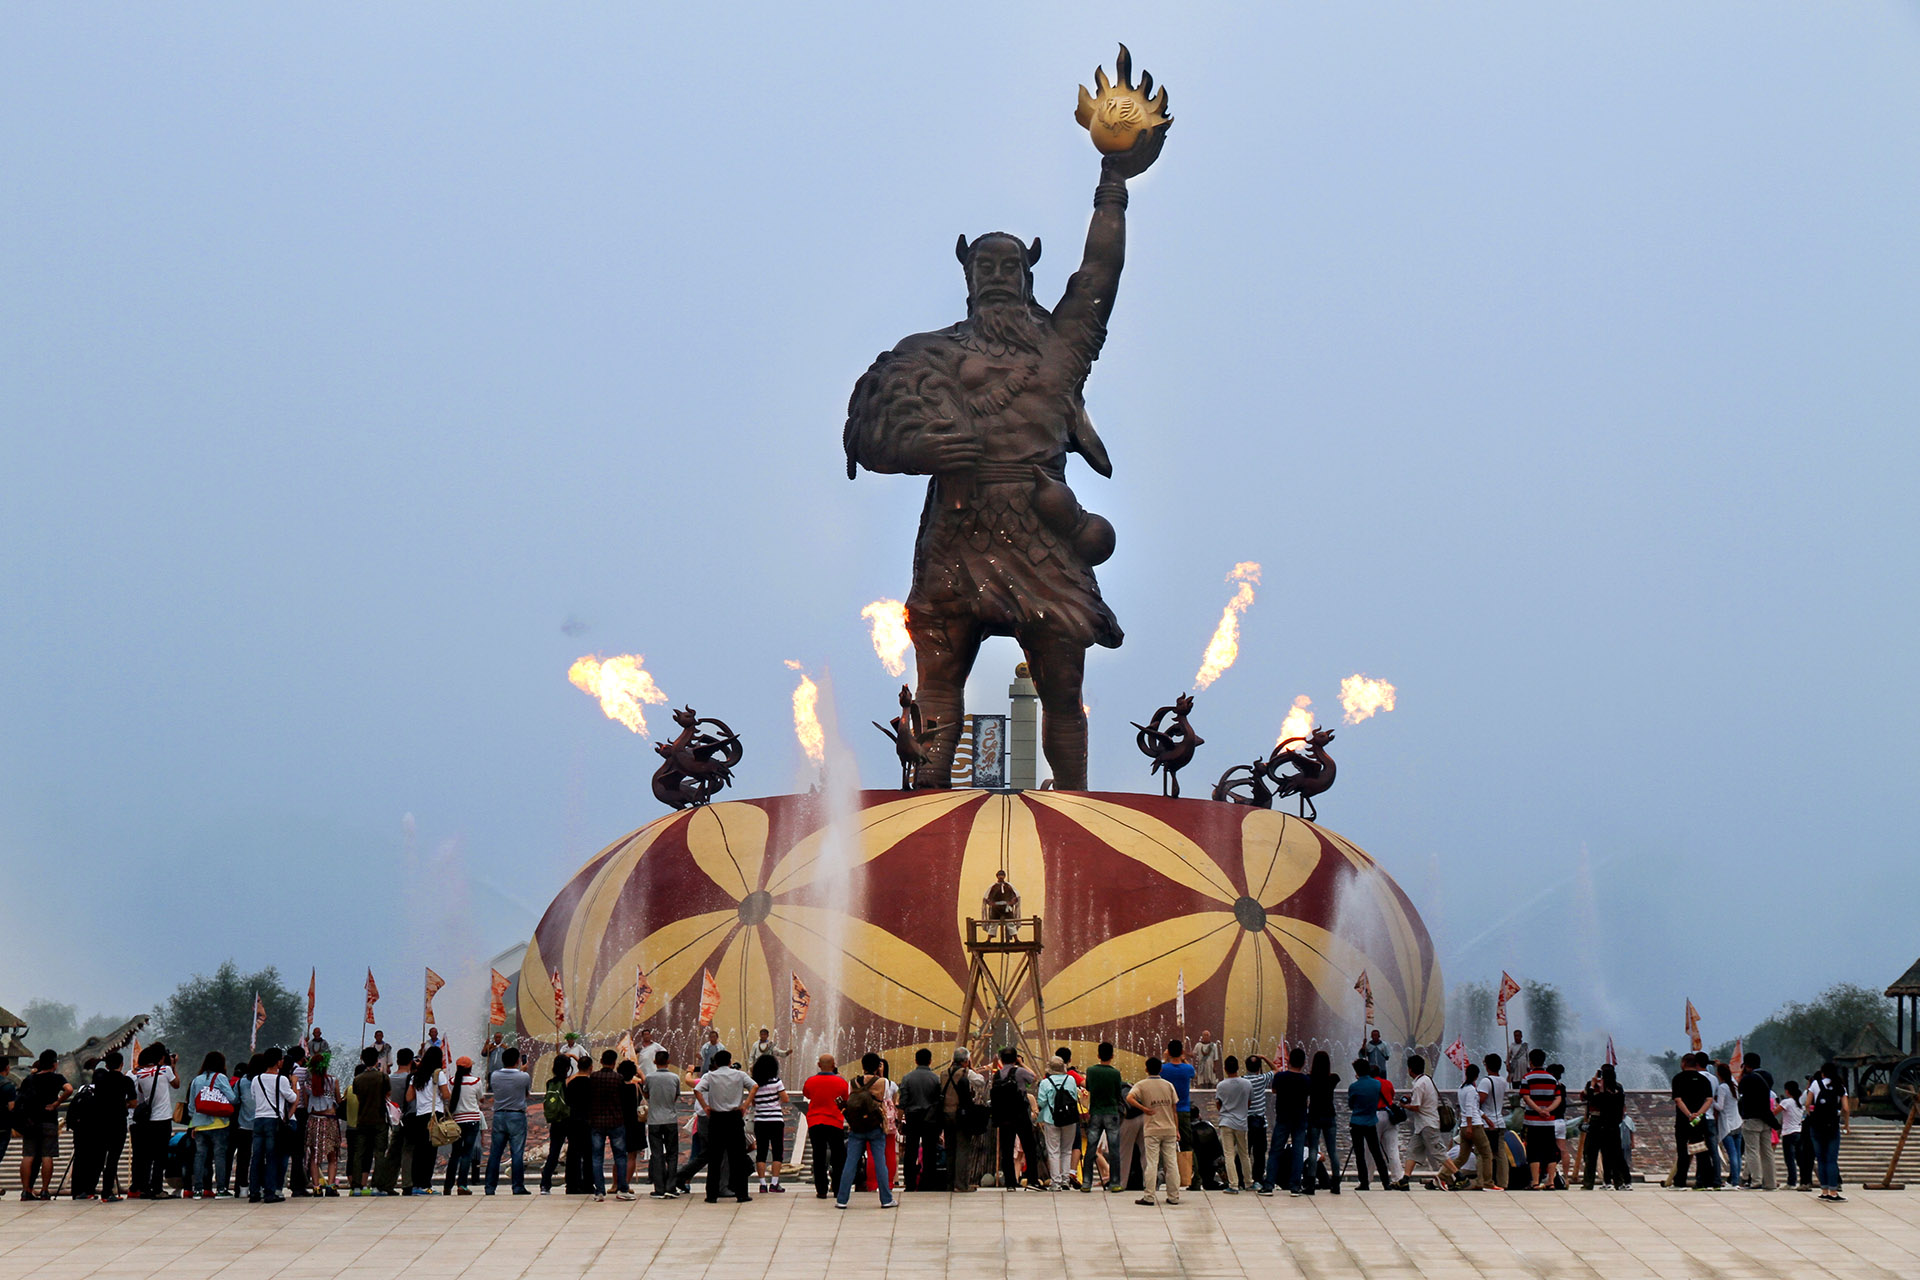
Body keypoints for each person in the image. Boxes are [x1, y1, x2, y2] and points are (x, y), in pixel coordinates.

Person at [833, 1053, 896, 1209]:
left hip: (857, 1126)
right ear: (878, 1066)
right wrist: (880, 1075)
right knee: (880, 1162)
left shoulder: (852, 1082)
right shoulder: (884, 1082)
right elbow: (890, 1095)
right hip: (875, 1126)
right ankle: (886, 1199)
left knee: (850, 1162)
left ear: (862, 1066)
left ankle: (842, 1199)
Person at [695, 1048, 753, 1203]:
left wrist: (705, 1106)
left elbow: (697, 1090)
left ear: (715, 1063)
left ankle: (712, 1195)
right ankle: (741, 1194)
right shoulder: (740, 1075)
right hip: (734, 1117)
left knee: (715, 1158)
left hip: (717, 1118)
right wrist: (745, 1104)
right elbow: (754, 1086)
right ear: (730, 1061)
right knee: (738, 1157)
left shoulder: (710, 1076)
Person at [14, 1050, 72, 1201]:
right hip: (49, 1120)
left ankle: (25, 1190)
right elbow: (69, 1089)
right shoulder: (57, 1078)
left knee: (28, 1155)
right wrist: (57, 1103)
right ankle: (45, 1190)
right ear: (54, 1064)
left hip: (30, 1122)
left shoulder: (29, 1079)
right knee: (47, 1155)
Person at [130, 1042, 179, 1198]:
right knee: (160, 1156)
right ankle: (157, 1188)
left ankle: (145, 1188)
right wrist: (173, 1066)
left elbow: (140, 1092)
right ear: (161, 1058)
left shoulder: (140, 1074)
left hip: (148, 1121)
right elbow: (176, 1084)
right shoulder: (165, 1070)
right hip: (163, 1119)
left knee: (147, 1156)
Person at [991, 1047, 1045, 1191]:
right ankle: (1032, 1180)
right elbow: (1034, 1078)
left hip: (1004, 1116)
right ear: (1015, 1058)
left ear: (1001, 1059)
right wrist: (1021, 1063)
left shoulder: (997, 1075)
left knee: (1007, 1150)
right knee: (1029, 1147)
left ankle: (1010, 1183)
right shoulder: (1019, 1071)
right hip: (1020, 1114)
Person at [479, 1046, 530, 1195]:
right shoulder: (524, 1076)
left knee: (495, 1153)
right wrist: (523, 1071)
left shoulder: (494, 1075)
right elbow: (526, 1094)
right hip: (517, 1115)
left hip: (499, 1115)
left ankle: (490, 1187)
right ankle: (517, 1186)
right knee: (517, 1153)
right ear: (518, 1061)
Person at [1259, 1047, 1310, 1195]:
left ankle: (1269, 1184)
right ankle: (1295, 1186)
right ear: (1303, 1063)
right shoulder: (1306, 1080)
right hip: (1300, 1118)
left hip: (1283, 1117)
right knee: (1298, 1152)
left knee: (1276, 1150)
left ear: (1289, 1061)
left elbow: (1274, 1091)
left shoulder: (1280, 1077)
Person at [1130, 1056, 1180, 1205]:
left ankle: (1149, 1196)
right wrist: (1177, 1130)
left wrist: (1144, 1108)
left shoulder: (1141, 1085)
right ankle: (1174, 1196)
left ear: (1146, 1069)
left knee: (1152, 1163)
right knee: (1171, 1163)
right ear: (1161, 1069)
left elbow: (1129, 1098)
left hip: (1152, 1129)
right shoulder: (1168, 1085)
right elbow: (1174, 1110)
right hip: (1169, 1129)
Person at [582, 1050, 632, 1201]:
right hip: (616, 1121)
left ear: (601, 1061)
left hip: (597, 1122)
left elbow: (588, 1099)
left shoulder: (593, 1078)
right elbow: (624, 1100)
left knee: (597, 1157)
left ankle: (599, 1191)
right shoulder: (618, 1078)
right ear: (614, 1062)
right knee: (620, 1157)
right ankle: (622, 1189)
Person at [187, 1051, 237, 1199]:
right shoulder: (220, 1077)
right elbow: (232, 1098)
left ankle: (197, 1190)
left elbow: (191, 1106)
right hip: (219, 1123)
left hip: (200, 1125)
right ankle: (221, 1189)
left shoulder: (196, 1080)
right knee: (220, 1156)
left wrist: (194, 1124)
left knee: (200, 1157)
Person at [1400, 1054, 1456, 1188]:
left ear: (1410, 1069)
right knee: (1412, 1151)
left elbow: (1416, 1107)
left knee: (1438, 1152)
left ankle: (1459, 1176)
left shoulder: (1419, 1085)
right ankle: (1405, 1180)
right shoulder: (1427, 1079)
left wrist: (1404, 1106)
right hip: (1421, 1126)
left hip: (1428, 1124)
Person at [249, 1048, 295, 1204]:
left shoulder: (256, 1079)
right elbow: (292, 1098)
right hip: (274, 1120)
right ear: (278, 1062)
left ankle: (254, 1192)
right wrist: (294, 1085)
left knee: (256, 1157)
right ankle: (270, 1192)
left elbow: (254, 1097)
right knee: (272, 1157)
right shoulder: (281, 1080)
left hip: (258, 1119)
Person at [803, 1054, 850, 1199]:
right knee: (838, 1157)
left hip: (815, 1122)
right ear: (834, 1065)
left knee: (818, 1156)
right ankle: (837, 1188)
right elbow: (845, 1099)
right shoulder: (841, 1082)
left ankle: (821, 1190)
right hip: (834, 1122)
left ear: (818, 1065)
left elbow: (807, 1095)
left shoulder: (810, 1081)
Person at [404, 1045, 449, 1195]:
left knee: (419, 1151)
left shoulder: (416, 1076)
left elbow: (409, 1097)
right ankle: (425, 1184)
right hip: (434, 1115)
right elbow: (446, 1095)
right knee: (430, 1152)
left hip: (420, 1115)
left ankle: (416, 1184)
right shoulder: (438, 1074)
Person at [896, 1048, 944, 1191]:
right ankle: (928, 1183)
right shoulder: (936, 1079)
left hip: (913, 1117)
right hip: (930, 1119)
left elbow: (902, 1102)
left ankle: (910, 1183)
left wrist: (899, 1121)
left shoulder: (907, 1078)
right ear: (930, 1061)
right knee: (930, 1151)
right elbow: (939, 1101)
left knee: (911, 1150)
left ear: (916, 1061)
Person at [1080, 1041, 1124, 1193]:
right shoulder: (1115, 1073)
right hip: (1111, 1112)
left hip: (1096, 1113)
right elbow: (1118, 1093)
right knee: (1114, 1149)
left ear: (1098, 1055)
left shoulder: (1091, 1071)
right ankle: (1115, 1183)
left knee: (1091, 1148)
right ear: (1112, 1056)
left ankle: (1086, 1183)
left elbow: (1089, 1087)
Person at [1671, 1051, 1719, 1190]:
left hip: (1683, 1120)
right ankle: (1706, 1182)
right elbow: (1709, 1100)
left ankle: (1680, 1182)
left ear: (1683, 1063)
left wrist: (1689, 1114)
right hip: (1699, 1121)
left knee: (1683, 1150)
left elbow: (1678, 1100)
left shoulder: (1678, 1078)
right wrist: (1698, 1114)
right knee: (1701, 1150)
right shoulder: (1704, 1080)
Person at [1803, 1062, 1849, 1202]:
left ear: (1822, 1073)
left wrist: (1812, 1116)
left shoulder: (1815, 1084)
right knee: (1831, 1160)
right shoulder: (1840, 1086)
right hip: (1832, 1126)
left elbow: (1807, 1104)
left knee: (1821, 1159)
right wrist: (1846, 1125)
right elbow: (1846, 1108)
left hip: (1816, 1126)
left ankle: (1824, 1191)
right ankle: (1833, 1192)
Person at [372, 1047, 415, 1195]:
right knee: (408, 1151)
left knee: (393, 1153)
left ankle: (387, 1184)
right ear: (411, 1061)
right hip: (409, 1118)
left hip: (394, 1119)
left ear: (396, 1061)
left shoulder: (388, 1079)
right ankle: (408, 1183)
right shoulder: (411, 1079)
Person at [941, 1048, 984, 1192]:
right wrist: (971, 1068)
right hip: (961, 1115)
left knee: (950, 1149)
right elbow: (981, 1081)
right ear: (966, 1061)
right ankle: (961, 1184)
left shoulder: (944, 1073)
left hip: (946, 1114)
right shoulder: (966, 1073)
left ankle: (949, 1183)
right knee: (962, 1149)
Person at [301, 1053, 344, 1196]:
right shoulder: (333, 1080)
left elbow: (306, 1104)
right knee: (332, 1155)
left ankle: (316, 1187)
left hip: (314, 1120)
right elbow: (338, 1100)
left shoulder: (307, 1084)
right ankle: (331, 1186)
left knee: (314, 1156)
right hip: (330, 1120)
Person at [1299, 1050, 1342, 1195]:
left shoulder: (1309, 1079)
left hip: (1314, 1115)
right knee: (1332, 1150)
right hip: (1329, 1115)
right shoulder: (1333, 1078)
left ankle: (1310, 1184)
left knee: (1312, 1149)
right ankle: (1336, 1183)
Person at [442, 1055, 485, 1196]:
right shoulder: (476, 1081)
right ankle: (462, 1185)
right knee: (467, 1154)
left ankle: (448, 1185)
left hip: (457, 1121)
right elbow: (481, 1098)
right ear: (470, 1068)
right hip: (472, 1120)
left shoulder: (451, 1082)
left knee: (455, 1154)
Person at [1581, 1062, 1628, 1190]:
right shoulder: (1618, 1087)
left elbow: (1587, 1098)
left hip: (1597, 1121)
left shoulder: (1594, 1086)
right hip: (1612, 1124)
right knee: (1613, 1154)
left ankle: (1588, 1183)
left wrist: (1593, 1085)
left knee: (1591, 1154)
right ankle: (1618, 1182)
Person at [1346, 1059, 1391, 1190]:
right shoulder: (1376, 1084)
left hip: (1357, 1122)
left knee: (1360, 1154)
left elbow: (1351, 1104)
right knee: (1376, 1152)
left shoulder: (1354, 1087)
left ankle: (1364, 1182)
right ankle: (1385, 1182)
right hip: (1371, 1121)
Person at [1036, 1056, 1080, 1191]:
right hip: (1069, 1118)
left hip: (1051, 1118)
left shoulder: (1045, 1082)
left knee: (1053, 1151)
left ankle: (1056, 1182)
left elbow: (1041, 1102)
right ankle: (1066, 1179)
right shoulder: (1070, 1080)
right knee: (1067, 1150)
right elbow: (1074, 1097)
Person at [1159, 1039, 1198, 1189]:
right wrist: (1184, 1059)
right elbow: (1193, 1074)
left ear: (1168, 1052)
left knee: (1163, 1144)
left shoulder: (1163, 1068)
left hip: (1166, 1111)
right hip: (1183, 1111)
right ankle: (1194, 1179)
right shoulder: (1187, 1069)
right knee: (1187, 1145)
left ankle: (1163, 1177)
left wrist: (1165, 1058)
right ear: (1181, 1052)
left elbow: (1156, 1071)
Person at [348, 1048, 387, 1193]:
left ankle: (356, 1186)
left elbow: (358, 1097)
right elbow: (387, 1094)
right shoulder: (383, 1077)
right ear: (377, 1060)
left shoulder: (358, 1079)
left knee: (359, 1153)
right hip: (379, 1119)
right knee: (379, 1153)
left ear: (363, 1060)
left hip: (362, 1119)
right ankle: (377, 1185)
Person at [749, 1053, 789, 1194]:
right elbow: (785, 1098)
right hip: (776, 1120)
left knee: (761, 1152)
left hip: (760, 1121)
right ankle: (774, 1183)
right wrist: (775, 1103)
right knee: (777, 1151)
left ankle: (762, 1184)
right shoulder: (776, 1082)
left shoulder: (754, 1084)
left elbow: (754, 1103)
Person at [644, 1050, 682, 1198]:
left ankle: (659, 1188)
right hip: (670, 1119)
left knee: (657, 1154)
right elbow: (675, 1096)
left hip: (654, 1120)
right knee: (672, 1154)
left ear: (655, 1062)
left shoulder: (649, 1078)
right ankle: (671, 1187)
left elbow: (646, 1094)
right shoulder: (675, 1078)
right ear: (668, 1061)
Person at [1737, 1052, 1777, 1192]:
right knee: (1767, 1152)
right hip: (1766, 1117)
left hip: (1751, 1117)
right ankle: (1770, 1182)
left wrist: (1743, 1074)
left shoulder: (1747, 1078)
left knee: (1752, 1150)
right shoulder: (1768, 1076)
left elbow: (1740, 1090)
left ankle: (1756, 1180)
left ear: (1746, 1065)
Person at [1519, 1048, 1559, 1190]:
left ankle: (1535, 1182)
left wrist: (1538, 1110)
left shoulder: (1527, 1078)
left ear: (1530, 1062)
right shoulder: (1552, 1079)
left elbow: (1526, 1097)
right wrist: (1548, 1110)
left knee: (1534, 1150)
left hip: (1532, 1121)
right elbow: (1558, 1098)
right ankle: (1551, 1181)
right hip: (1549, 1121)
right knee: (1550, 1151)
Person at [1212, 1055, 1252, 1192]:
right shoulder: (1247, 1084)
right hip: (1241, 1122)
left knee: (1229, 1155)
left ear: (1225, 1069)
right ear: (1238, 1067)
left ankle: (1233, 1185)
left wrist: (1225, 1112)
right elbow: (1249, 1102)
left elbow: (1218, 1104)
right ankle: (1248, 1182)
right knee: (1244, 1153)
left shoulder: (1221, 1085)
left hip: (1226, 1122)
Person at [1455, 1063, 1493, 1191]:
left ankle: (1443, 1175)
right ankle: (1488, 1182)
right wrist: (1470, 1126)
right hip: (1474, 1125)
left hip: (1464, 1126)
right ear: (1476, 1076)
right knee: (1486, 1154)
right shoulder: (1471, 1090)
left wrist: (1486, 1118)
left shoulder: (1461, 1088)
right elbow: (1470, 1108)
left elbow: (1473, 1108)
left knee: (1462, 1157)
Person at [1480, 1053, 1511, 1189]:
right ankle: (1503, 1182)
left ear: (1487, 1065)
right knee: (1500, 1154)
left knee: (1484, 1153)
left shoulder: (1486, 1081)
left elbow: (1480, 1099)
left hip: (1488, 1122)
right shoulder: (1503, 1081)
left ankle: (1484, 1180)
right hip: (1499, 1121)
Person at [1713, 1060, 1742, 1190]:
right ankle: (1736, 1180)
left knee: (1732, 1154)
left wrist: (1710, 1101)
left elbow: (1719, 1106)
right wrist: (1719, 1064)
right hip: (1737, 1123)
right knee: (1737, 1154)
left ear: (1719, 1074)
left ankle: (1734, 1182)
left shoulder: (1723, 1088)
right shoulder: (1734, 1085)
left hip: (1727, 1125)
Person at [618, 1060, 645, 1188]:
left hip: (620, 1123)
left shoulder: (617, 1088)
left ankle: (615, 1184)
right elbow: (647, 1087)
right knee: (631, 1156)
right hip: (635, 1124)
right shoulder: (636, 1087)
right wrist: (641, 1074)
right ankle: (625, 1184)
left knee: (618, 1155)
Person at [1243, 1054, 1269, 1182]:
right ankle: (1258, 1178)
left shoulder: (1242, 1081)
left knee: (1244, 1151)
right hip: (1260, 1121)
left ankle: (1244, 1178)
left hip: (1245, 1121)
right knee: (1259, 1153)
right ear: (1259, 1068)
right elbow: (1277, 1070)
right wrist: (1264, 1058)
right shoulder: (1262, 1079)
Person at [1779, 1079, 1807, 1190]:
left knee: (1789, 1159)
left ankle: (1791, 1181)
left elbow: (1775, 1112)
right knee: (1800, 1159)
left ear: (1787, 1091)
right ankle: (1804, 1180)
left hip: (1788, 1133)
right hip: (1799, 1131)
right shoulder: (1800, 1103)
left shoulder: (1786, 1102)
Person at [984, 868, 1021, 940]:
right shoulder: (993, 887)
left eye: (1002, 875)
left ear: (1004, 876)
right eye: (999, 875)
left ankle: (1016, 939)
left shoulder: (1009, 886)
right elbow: (987, 897)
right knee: (993, 923)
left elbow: (1016, 896)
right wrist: (992, 904)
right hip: (996, 908)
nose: (1001, 877)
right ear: (997, 876)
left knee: (1010, 923)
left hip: (1006, 907)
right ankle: (988, 939)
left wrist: (1011, 902)